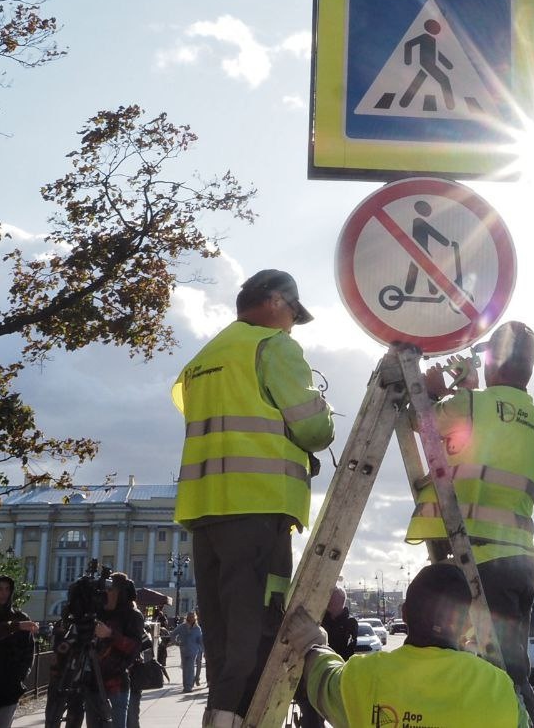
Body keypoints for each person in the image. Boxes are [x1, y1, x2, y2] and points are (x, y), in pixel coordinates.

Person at [172, 269, 335, 728]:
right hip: (257, 509)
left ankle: (220, 714)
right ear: (278, 302)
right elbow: (313, 429)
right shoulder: (273, 346)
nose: (292, 326)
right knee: (259, 632)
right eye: (292, 316)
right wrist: (322, 410)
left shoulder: (205, 358)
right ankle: (238, 719)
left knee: (223, 636)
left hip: (205, 511)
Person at [406, 321, 534, 725]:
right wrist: (470, 391)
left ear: (494, 361)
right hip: (521, 561)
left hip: (480, 556)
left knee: (496, 676)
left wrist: (439, 389)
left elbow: (422, 422)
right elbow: (497, 437)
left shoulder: (473, 405)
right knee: (513, 669)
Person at [297, 564, 530, 728]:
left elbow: (322, 677)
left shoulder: (363, 678)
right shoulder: (499, 688)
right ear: (468, 623)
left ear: (404, 614)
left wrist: (315, 643)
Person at [83, 572, 149, 728]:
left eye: (110, 589)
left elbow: (133, 647)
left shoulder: (133, 616)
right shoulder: (98, 613)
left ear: (121, 593)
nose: (106, 593)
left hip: (116, 683)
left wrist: (110, 634)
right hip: (92, 683)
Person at [296, 587, 361, 727]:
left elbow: (348, 650)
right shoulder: (320, 619)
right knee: (311, 714)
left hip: (337, 672)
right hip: (315, 671)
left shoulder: (350, 623)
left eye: (332, 598)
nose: (328, 601)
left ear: (340, 601)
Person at [0, 575, 38, 728]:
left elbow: (28, 651)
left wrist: (19, 676)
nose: (3, 593)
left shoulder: (20, 618)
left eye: (7, 589)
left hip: (8, 687)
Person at [44, 618, 84, 728]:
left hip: (78, 677)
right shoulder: (64, 624)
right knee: (53, 715)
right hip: (60, 675)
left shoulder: (89, 626)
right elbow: (57, 648)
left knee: (75, 712)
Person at [170, 612, 205, 693]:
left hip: (194, 650)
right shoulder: (182, 626)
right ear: (187, 618)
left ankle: (188, 686)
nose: (191, 618)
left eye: (193, 617)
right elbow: (173, 634)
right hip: (184, 650)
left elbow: (200, 640)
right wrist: (175, 642)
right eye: (190, 617)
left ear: (195, 618)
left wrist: (203, 650)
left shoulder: (197, 628)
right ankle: (186, 685)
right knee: (185, 668)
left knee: (190, 667)